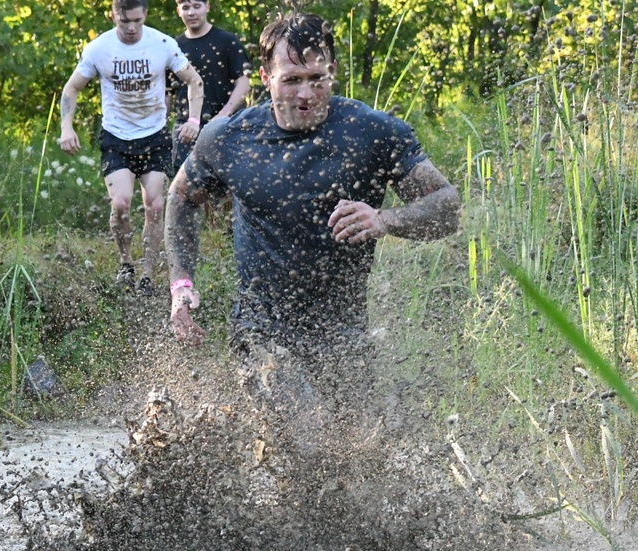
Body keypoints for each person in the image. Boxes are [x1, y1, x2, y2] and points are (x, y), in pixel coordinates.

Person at [164, 12, 460, 424]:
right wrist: (182, 284)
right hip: (261, 328)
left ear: (332, 72)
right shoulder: (231, 139)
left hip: (343, 331)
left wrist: (386, 220)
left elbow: (447, 207)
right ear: (266, 78)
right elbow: (180, 199)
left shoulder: (371, 133)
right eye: (291, 80)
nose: (306, 94)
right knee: (304, 427)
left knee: (360, 450)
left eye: (316, 78)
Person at [58, 0, 204, 296]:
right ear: (114, 16)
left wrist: (193, 120)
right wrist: (66, 127)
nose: (131, 28)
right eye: (124, 22)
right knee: (121, 204)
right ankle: (126, 263)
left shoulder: (161, 43)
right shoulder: (99, 48)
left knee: (155, 205)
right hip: (116, 137)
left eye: (136, 21)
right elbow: (71, 88)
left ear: (145, 15)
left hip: (154, 135)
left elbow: (194, 80)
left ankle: (148, 274)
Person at [168, 0, 251, 170]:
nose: (191, 13)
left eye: (196, 6)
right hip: (186, 131)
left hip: (226, 126)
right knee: (184, 192)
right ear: (178, 11)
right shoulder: (174, 47)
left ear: (207, 7)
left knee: (230, 189)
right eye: (186, 8)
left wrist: (224, 114)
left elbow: (244, 83)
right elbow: (167, 92)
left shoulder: (227, 41)